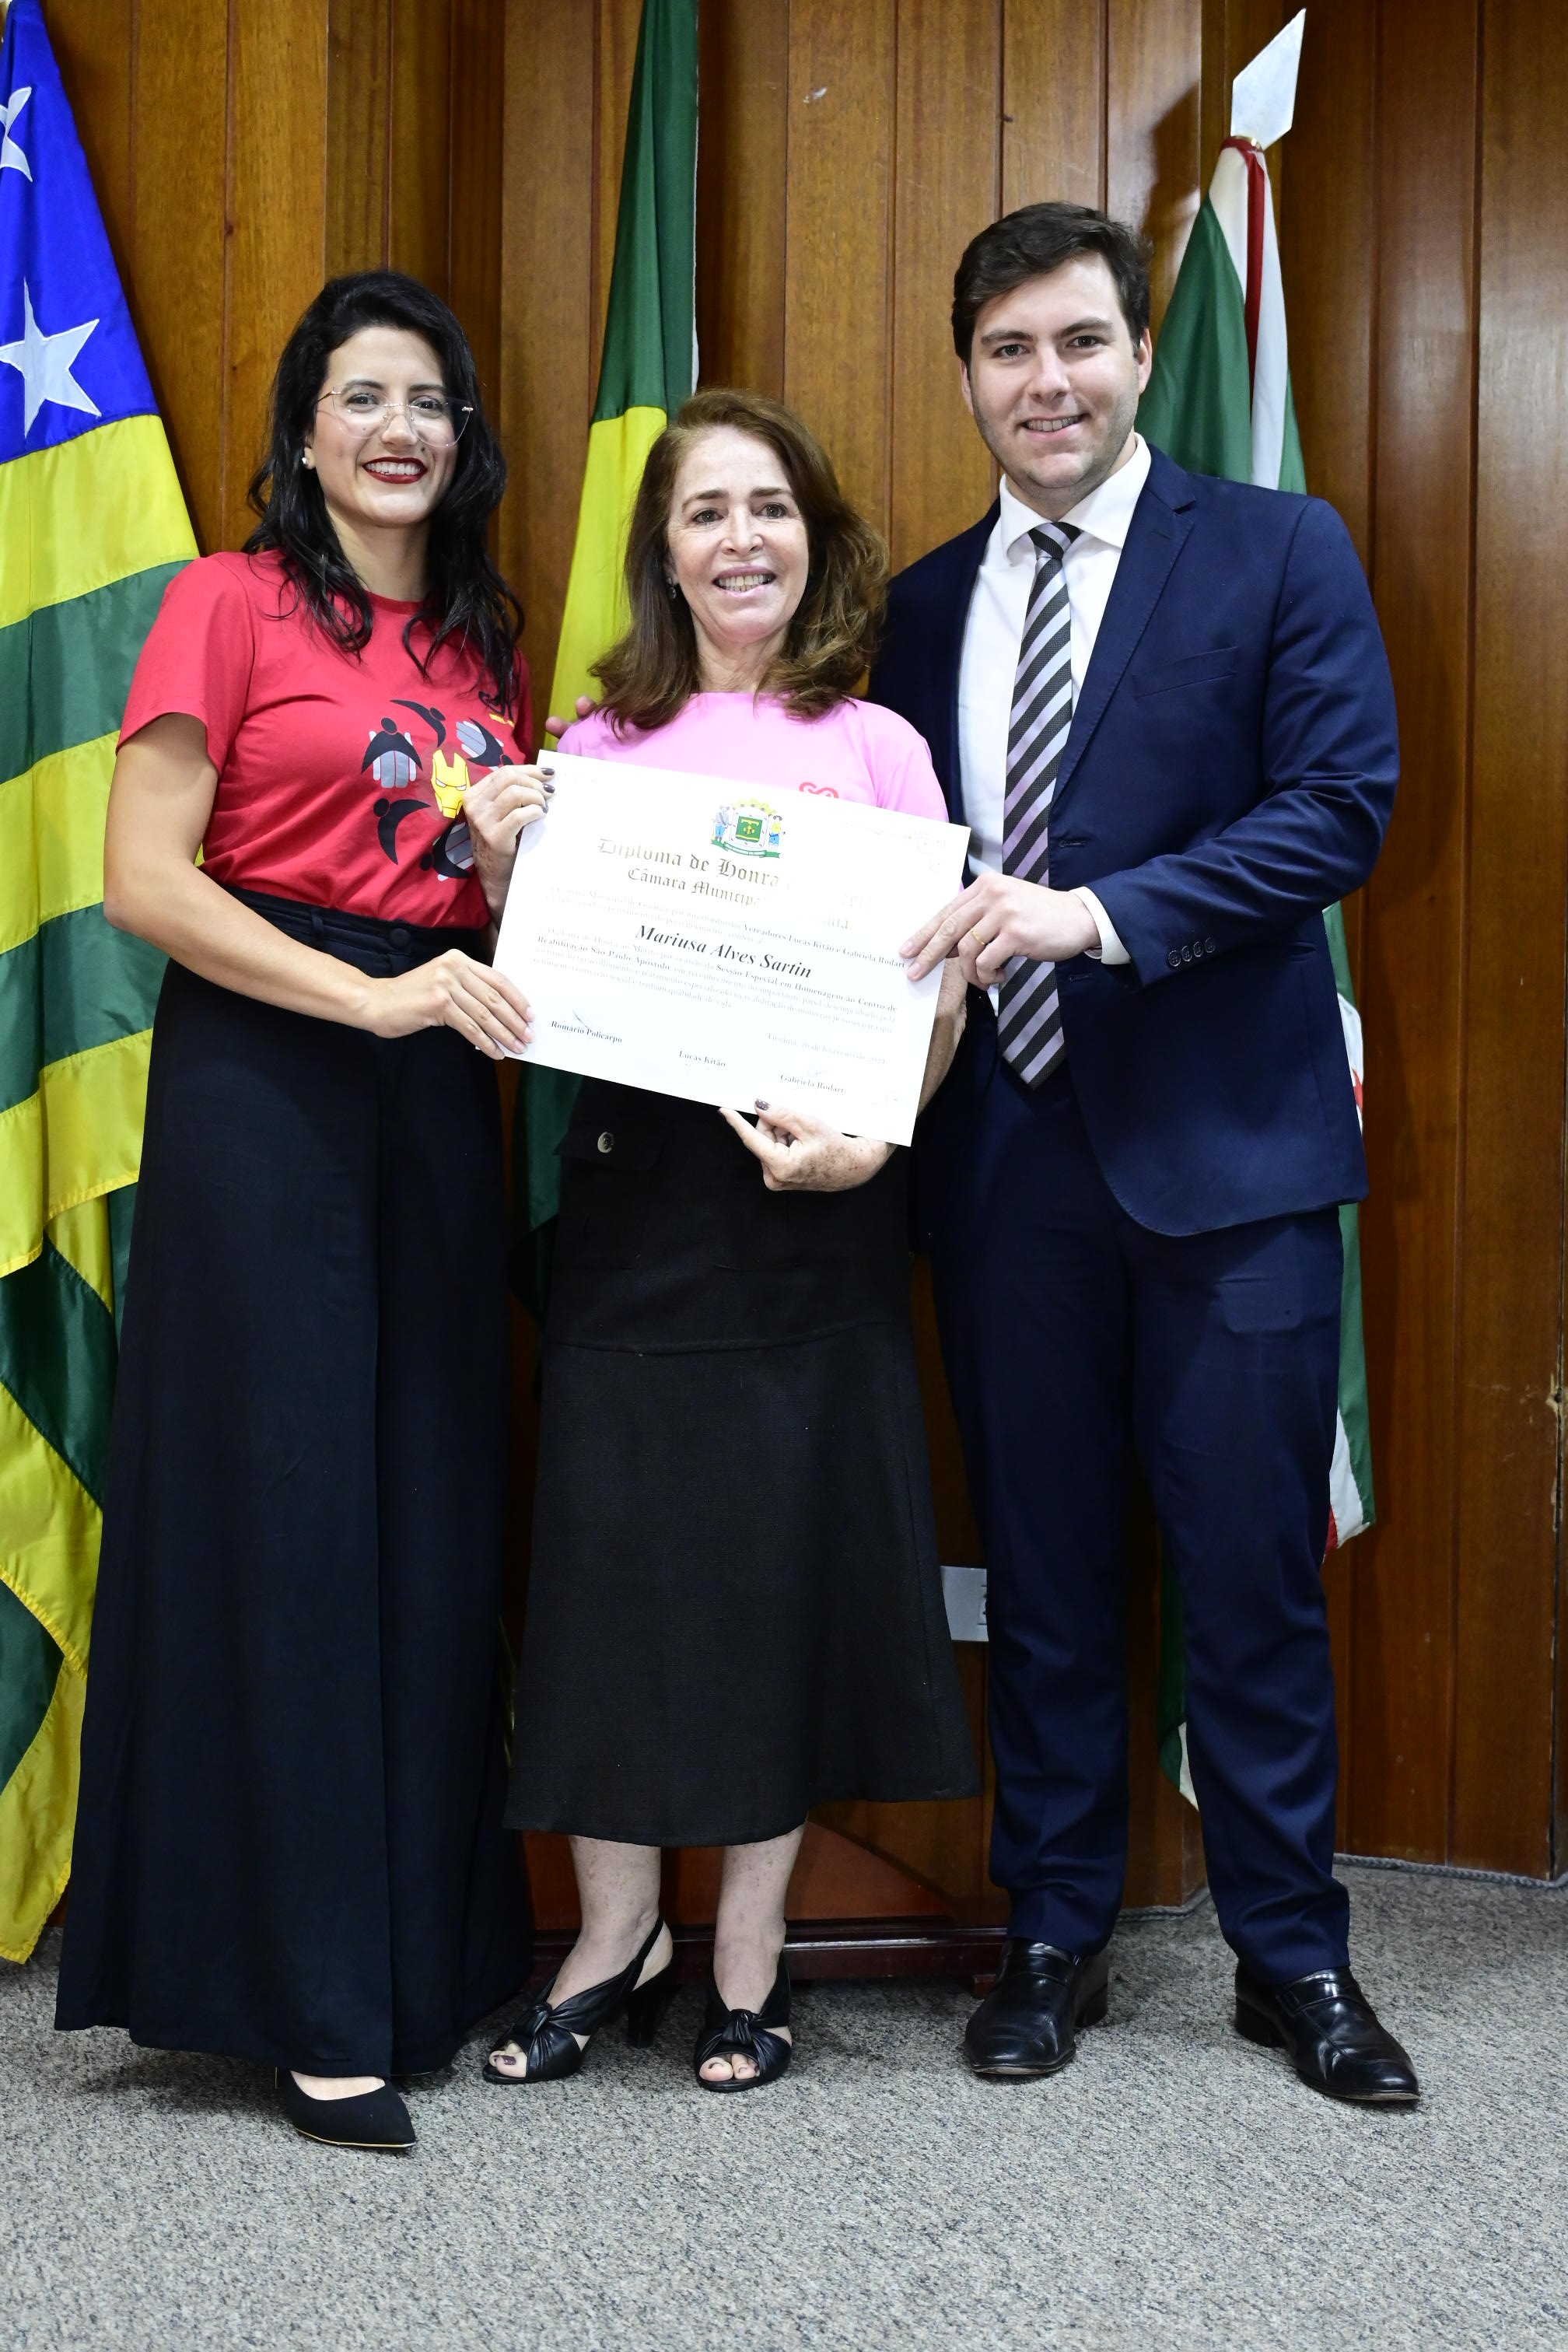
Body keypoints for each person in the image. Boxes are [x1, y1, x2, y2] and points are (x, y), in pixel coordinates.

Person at [874, 202, 1419, 2102]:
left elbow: (1339, 808)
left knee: (1249, 1574)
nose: (1050, 382)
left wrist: (1096, 918)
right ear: (968, 376)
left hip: (1232, 1162)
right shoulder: (919, 605)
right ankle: (1052, 1934)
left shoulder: (1276, 546)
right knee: (1041, 1575)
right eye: (1010, 350)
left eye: (1082, 342)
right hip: (1002, 1163)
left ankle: (1295, 1959)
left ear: (1135, 357)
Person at [54, 271, 542, 2151]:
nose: (398, 429)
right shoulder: (229, 601)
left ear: (462, 435)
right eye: (363, 396)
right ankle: (302, 1998)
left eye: (429, 399)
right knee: (283, 1513)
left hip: (436, 1087)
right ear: (307, 430)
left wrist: (504, 877)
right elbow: (144, 882)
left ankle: (414, 1963)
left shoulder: (485, 642)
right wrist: (366, 999)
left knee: (426, 1506)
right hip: (267, 1076)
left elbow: (487, 915)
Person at [474, 388, 978, 2095]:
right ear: (665, 551)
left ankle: (751, 1958)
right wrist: (502, 877)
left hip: (813, 1209)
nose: (742, 539)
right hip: (634, 1210)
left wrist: (876, 1139)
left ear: (814, 538)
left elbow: (940, 999)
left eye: (771, 507)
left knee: (776, 1576)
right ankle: (615, 1940)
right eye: (706, 512)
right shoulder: (592, 748)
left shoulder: (879, 747)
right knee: (606, 1573)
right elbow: (540, 993)